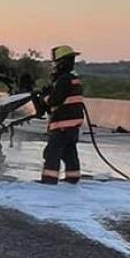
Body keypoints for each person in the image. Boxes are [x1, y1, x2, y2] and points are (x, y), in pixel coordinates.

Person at [37, 44, 85, 184]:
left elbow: (54, 101)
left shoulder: (63, 80)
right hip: (72, 126)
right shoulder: (73, 79)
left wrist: (44, 97)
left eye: (55, 62)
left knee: (52, 153)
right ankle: (72, 179)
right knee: (69, 153)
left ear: (60, 62)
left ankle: (49, 181)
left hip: (62, 125)